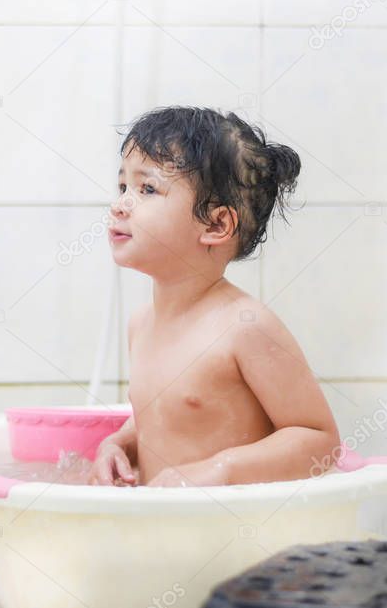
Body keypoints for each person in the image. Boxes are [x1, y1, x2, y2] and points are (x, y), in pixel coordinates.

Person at [88, 106, 341, 487]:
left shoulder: (244, 327)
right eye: (123, 186)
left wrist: (220, 470)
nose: (120, 204)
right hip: (167, 529)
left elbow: (320, 442)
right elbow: (164, 417)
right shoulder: (141, 324)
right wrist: (119, 444)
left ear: (216, 224)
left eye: (147, 189)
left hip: (231, 531)